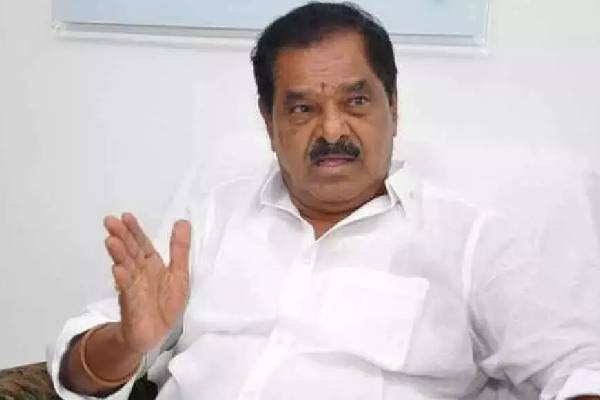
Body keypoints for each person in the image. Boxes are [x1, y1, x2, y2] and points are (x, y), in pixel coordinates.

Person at [48, 2, 600, 399]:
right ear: (268, 122)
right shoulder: (211, 217)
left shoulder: (471, 239)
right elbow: (77, 371)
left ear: (394, 107)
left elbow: (578, 368)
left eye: (356, 102)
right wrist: (126, 344)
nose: (332, 130)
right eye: (302, 109)